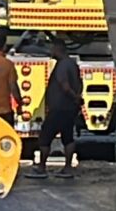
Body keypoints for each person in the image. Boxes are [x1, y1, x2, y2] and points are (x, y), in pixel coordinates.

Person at [35, 45, 84, 176]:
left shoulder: (62, 65)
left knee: (45, 137)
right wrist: (77, 99)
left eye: (53, 49)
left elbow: (65, 85)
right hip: (69, 108)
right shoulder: (72, 64)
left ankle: (41, 167)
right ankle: (68, 167)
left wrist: (73, 96)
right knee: (68, 137)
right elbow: (80, 83)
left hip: (59, 108)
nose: (51, 51)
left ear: (58, 50)